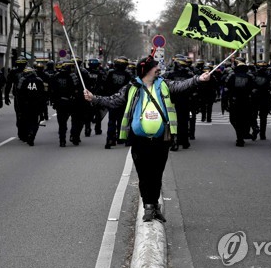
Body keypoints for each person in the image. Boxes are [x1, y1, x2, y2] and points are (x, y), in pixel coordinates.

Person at [84, 56, 210, 222]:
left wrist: (198, 79)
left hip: (161, 139)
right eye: (155, 66)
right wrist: (94, 98)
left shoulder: (164, 84)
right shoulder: (132, 87)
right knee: (144, 174)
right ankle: (148, 206)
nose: (158, 68)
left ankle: (154, 205)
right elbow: (114, 101)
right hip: (139, 139)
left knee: (157, 174)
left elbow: (182, 86)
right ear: (147, 70)